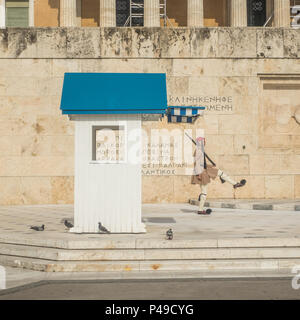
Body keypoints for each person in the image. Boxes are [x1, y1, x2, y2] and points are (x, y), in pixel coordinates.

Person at [191, 136, 246, 215]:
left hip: (205, 171)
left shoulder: (200, 150)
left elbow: (203, 163)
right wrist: (198, 174)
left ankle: (235, 184)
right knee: (204, 192)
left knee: (220, 173)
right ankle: (200, 209)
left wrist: (211, 165)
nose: (205, 143)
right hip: (202, 173)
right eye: (204, 141)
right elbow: (197, 164)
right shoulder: (198, 151)